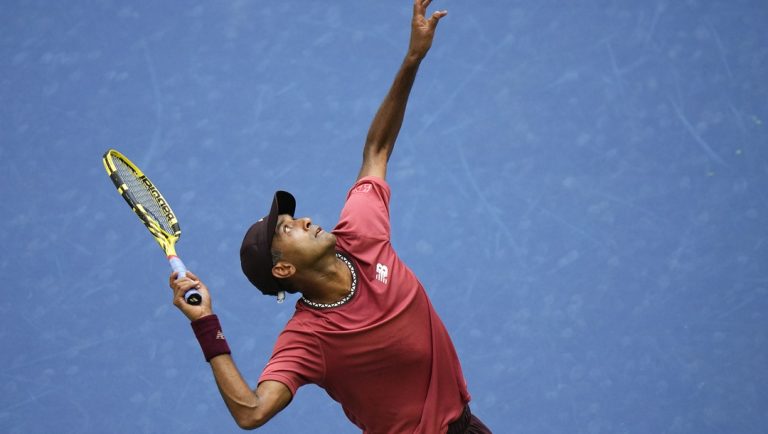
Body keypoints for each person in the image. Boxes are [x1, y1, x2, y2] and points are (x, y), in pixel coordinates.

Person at [169, 1, 491, 432]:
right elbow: (251, 412)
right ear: (283, 267)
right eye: (288, 228)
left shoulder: (359, 233)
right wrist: (206, 323)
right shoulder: (309, 339)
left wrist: (413, 58)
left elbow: (376, 151)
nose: (302, 221)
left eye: (294, 217)